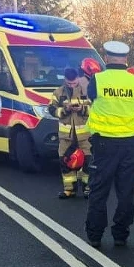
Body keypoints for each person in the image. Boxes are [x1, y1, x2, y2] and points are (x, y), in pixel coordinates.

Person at [83, 41, 134, 247]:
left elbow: (90, 98)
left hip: (104, 145)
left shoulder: (97, 79)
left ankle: (95, 235)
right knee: (126, 192)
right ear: (126, 59)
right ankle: (120, 233)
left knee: (99, 191)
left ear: (106, 58)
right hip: (130, 145)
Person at [48, 67, 93, 199]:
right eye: (69, 83)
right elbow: (51, 110)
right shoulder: (58, 93)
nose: (72, 85)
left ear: (78, 79)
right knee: (65, 162)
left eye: (74, 83)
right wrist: (65, 110)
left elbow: (95, 109)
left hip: (84, 135)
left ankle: (87, 189)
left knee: (88, 162)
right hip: (66, 136)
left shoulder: (86, 91)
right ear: (65, 80)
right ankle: (70, 190)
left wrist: (82, 109)